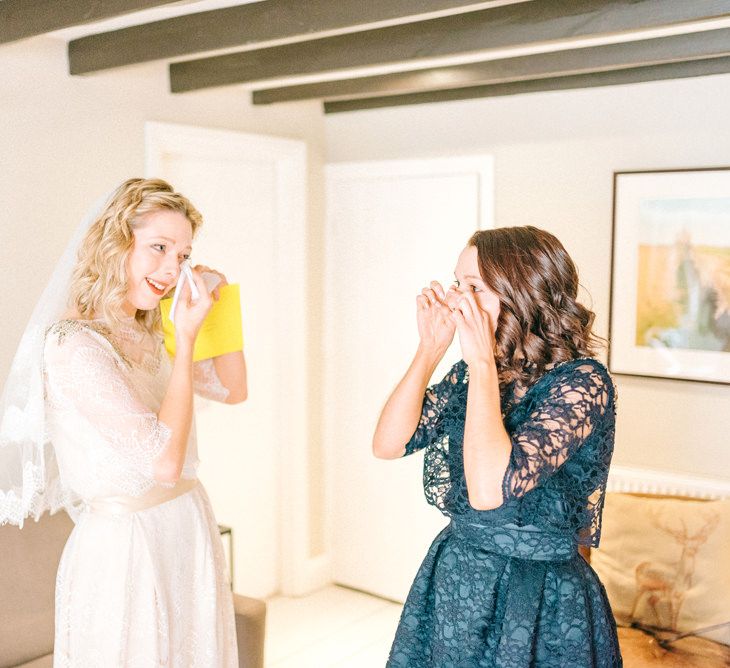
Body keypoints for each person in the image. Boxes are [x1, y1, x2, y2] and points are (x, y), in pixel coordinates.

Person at [0, 178, 246, 666]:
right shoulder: (72, 345)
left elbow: (232, 388)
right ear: (116, 242)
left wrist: (223, 308)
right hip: (127, 548)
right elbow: (163, 462)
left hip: (187, 527)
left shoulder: (149, 331)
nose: (172, 268)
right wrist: (189, 337)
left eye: (182, 254)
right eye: (159, 247)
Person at [373, 226, 622, 667]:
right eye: (456, 284)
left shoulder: (582, 383)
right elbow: (388, 443)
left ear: (522, 293)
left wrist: (481, 361)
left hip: (540, 594)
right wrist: (429, 350)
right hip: (457, 578)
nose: (455, 300)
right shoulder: (476, 375)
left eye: (473, 287)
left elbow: (490, 491)